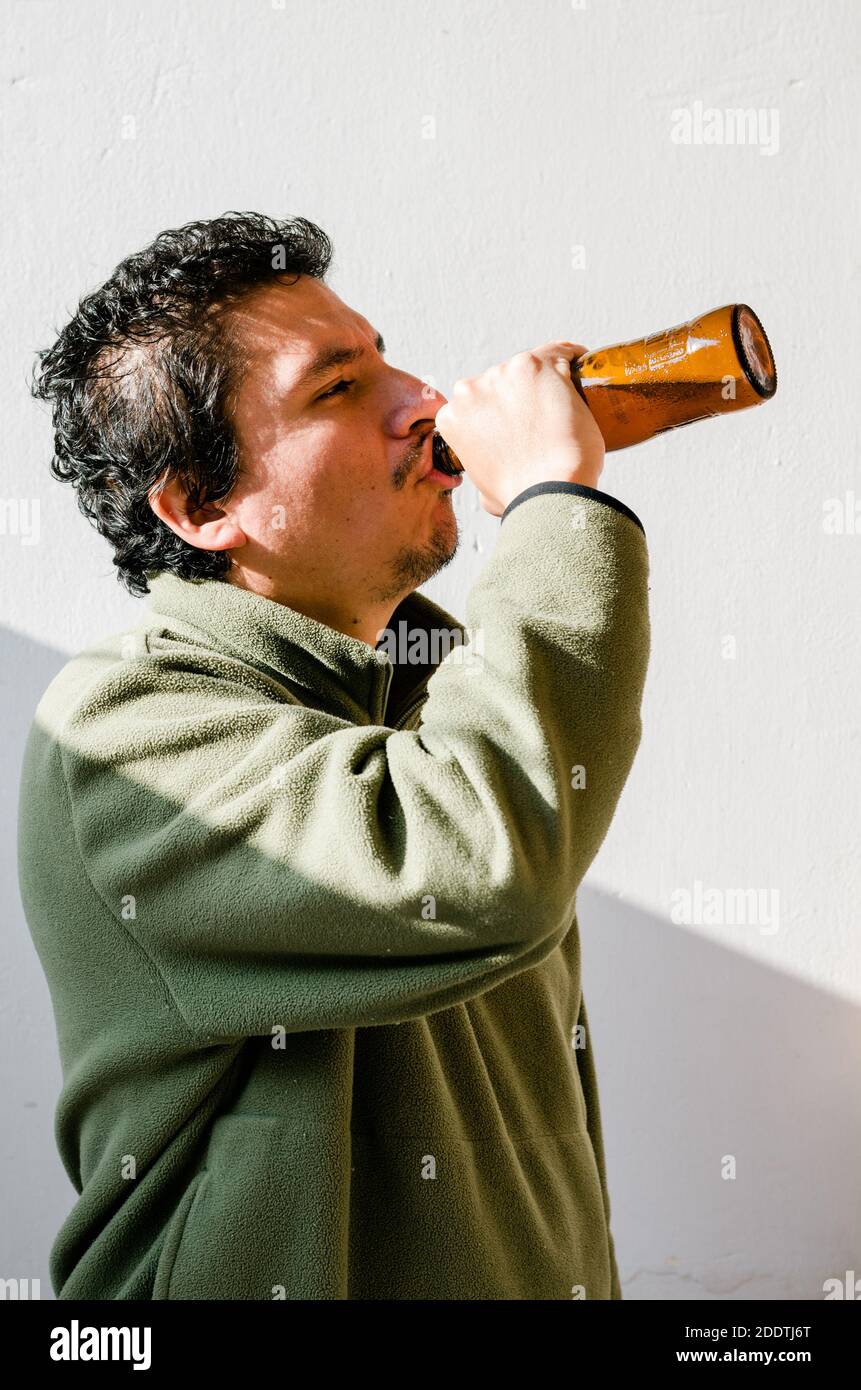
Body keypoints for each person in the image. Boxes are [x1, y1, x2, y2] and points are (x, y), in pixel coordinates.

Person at [18, 211, 650, 1300]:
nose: (427, 403)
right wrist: (556, 505)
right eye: (339, 388)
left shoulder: (441, 690)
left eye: (387, 360)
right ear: (203, 505)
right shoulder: (122, 729)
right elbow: (482, 863)